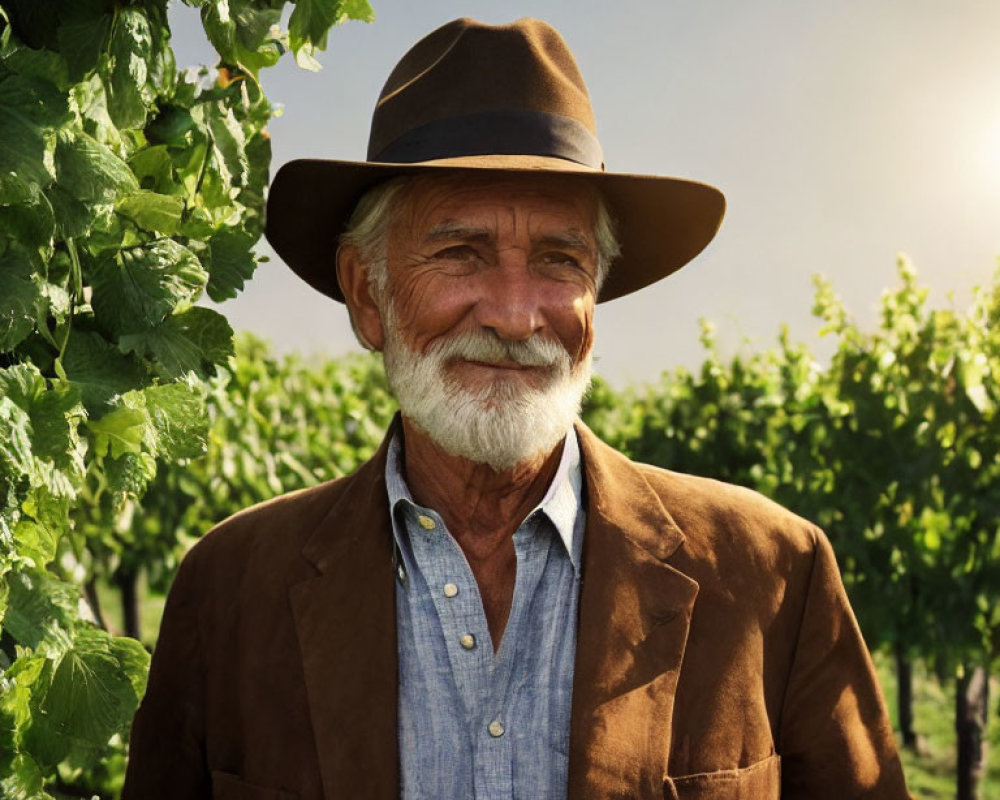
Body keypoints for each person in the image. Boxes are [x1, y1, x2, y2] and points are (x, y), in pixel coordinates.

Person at [123, 17, 911, 800]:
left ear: (595, 294)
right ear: (369, 294)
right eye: (460, 252)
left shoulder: (773, 574)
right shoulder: (228, 590)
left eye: (557, 259)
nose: (513, 314)